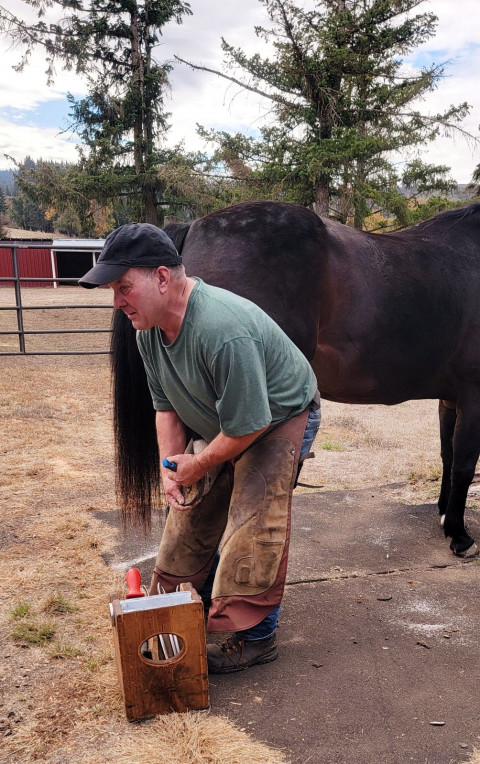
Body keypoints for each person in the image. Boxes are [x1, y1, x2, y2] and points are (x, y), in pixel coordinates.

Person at [79, 222, 320, 673]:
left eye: (124, 287)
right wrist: (173, 469)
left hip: (280, 417)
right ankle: (187, 609)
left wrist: (203, 462)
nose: (117, 302)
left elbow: (251, 425)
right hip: (232, 419)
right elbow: (165, 406)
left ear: (163, 278)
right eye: (113, 290)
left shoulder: (221, 329)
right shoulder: (147, 331)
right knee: (189, 514)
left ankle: (256, 638)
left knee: (254, 516)